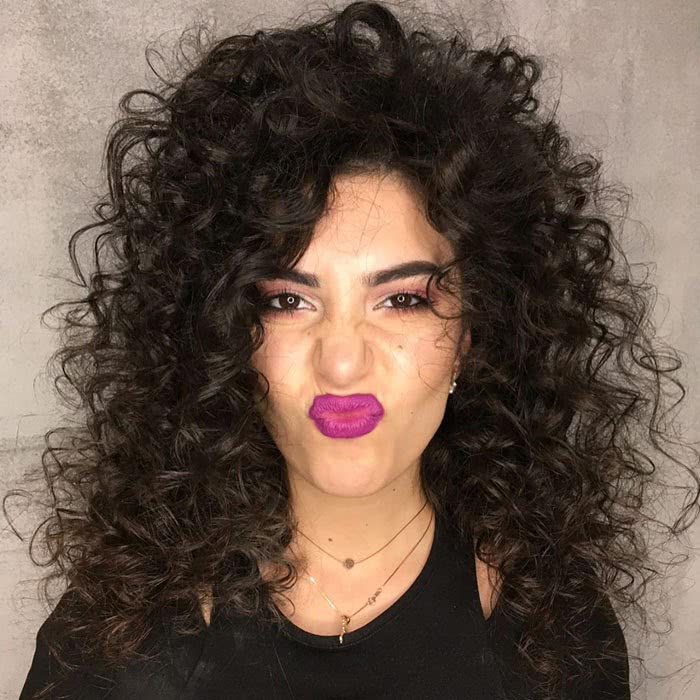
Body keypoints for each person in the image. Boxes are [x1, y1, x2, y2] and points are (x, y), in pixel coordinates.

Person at [9, 2, 699, 699]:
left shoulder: (552, 631)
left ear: (469, 336)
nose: (341, 363)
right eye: (288, 301)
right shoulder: (120, 638)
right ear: (228, 335)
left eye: (402, 300)